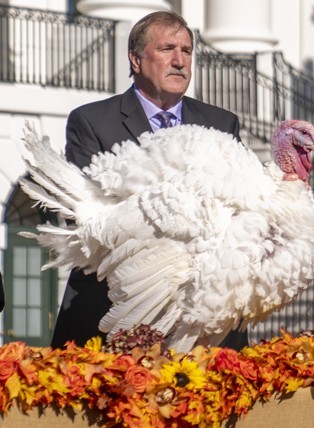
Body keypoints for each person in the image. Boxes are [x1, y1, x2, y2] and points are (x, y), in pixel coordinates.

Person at [52, 10, 248, 350]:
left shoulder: (221, 123)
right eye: (167, 49)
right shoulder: (92, 121)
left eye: (187, 51)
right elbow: (83, 215)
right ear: (136, 58)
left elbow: (242, 211)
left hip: (204, 319)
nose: (179, 61)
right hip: (115, 310)